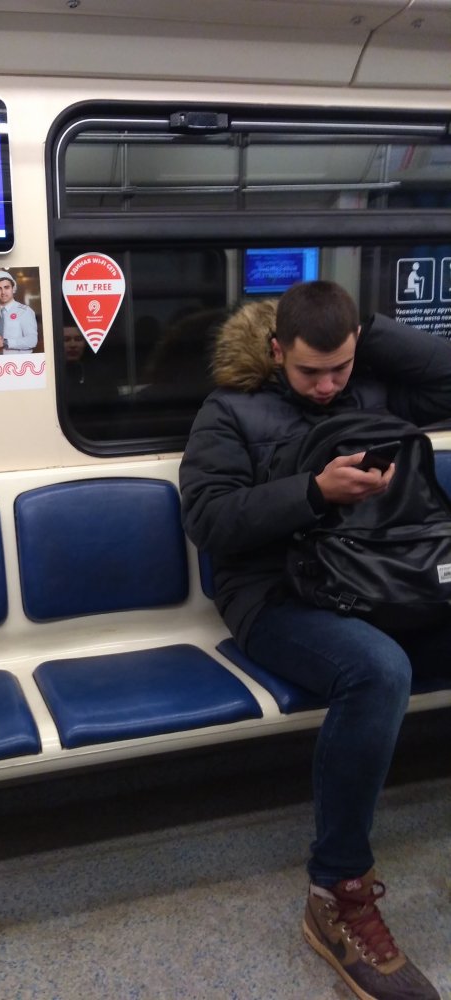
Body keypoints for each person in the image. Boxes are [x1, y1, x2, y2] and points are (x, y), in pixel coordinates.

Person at [179, 280, 451, 1000]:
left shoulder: (375, 389)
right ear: (276, 350)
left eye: (340, 367)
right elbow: (209, 520)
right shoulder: (229, 410)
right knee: (377, 671)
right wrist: (313, 492)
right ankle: (337, 893)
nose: (328, 386)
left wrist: (368, 330)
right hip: (273, 596)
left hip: (379, 580)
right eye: (310, 371)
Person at [0, 270, 39, 355]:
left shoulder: (25, 311)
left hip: (18, 362)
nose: (3, 292)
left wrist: (6, 343)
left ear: (13, 288)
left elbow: (32, 340)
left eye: (6, 287)